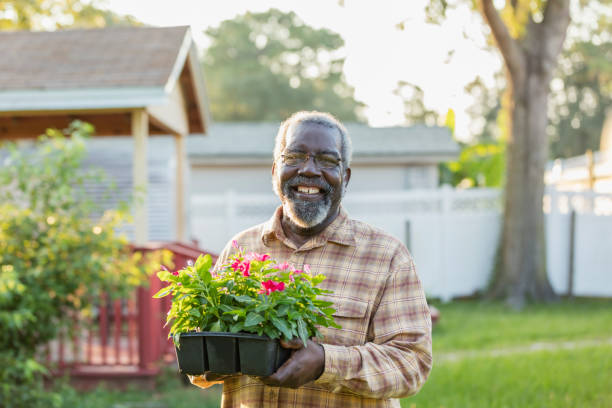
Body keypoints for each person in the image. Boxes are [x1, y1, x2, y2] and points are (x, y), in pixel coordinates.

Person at [190, 111, 432, 407]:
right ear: (274, 170)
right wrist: (208, 353)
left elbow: (412, 364)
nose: (309, 170)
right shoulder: (240, 248)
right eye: (294, 156)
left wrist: (325, 363)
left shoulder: (387, 256)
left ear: (346, 177)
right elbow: (201, 369)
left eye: (328, 161)